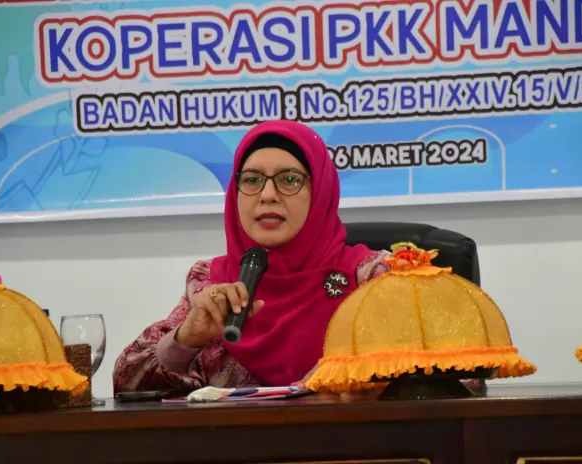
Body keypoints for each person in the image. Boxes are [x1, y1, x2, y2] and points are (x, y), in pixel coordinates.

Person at [112, 121, 391, 393]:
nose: (267, 195)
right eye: (252, 180)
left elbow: (412, 365)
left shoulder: (372, 279)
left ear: (320, 191)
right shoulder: (209, 283)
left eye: (289, 179)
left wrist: (354, 366)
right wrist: (186, 338)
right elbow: (126, 382)